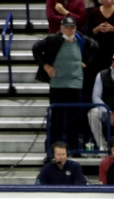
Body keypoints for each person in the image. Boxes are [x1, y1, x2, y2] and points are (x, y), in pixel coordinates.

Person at [34, 17, 97, 149]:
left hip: (75, 84)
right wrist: (46, 66)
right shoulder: (52, 39)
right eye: (67, 27)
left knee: (73, 119)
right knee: (56, 118)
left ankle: (73, 147)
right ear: (61, 28)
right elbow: (36, 49)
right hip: (57, 83)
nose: (69, 30)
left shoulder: (81, 39)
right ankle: (54, 148)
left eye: (72, 27)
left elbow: (95, 47)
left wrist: (86, 62)